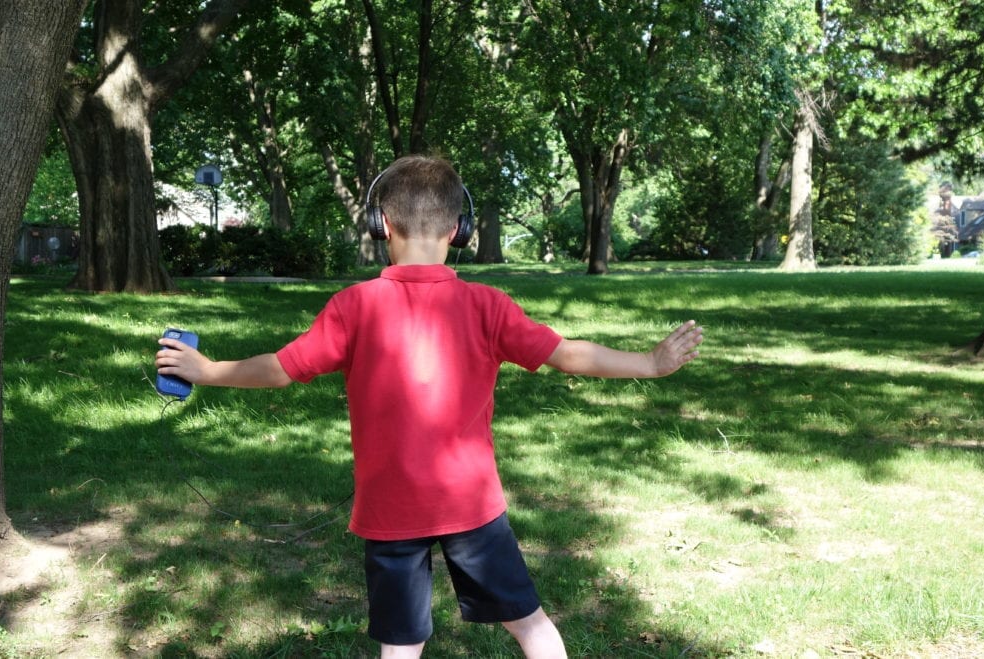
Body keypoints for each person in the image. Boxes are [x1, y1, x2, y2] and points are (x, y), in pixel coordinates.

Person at [155, 155, 704, 658]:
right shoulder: (487, 305)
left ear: (382, 227)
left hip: (390, 508)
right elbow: (567, 356)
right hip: (471, 503)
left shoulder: (354, 306)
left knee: (400, 646)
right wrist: (650, 363)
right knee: (530, 624)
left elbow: (281, 368)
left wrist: (208, 372)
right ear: (457, 231)